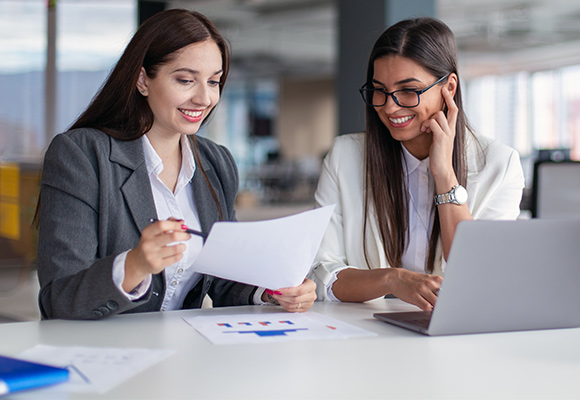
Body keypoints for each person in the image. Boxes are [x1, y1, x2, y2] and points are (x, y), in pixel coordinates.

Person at [36, 9, 316, 320]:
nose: (204, 98)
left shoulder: (216, 161)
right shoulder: (82, 155)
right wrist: (134, 266)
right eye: (185, 80)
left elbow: (222, 280)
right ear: (143, 80)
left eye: (214, 82)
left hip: (182, 353)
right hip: (104, 355)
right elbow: (57, 298)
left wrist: (271, 290)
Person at [308, 17, 525, 311]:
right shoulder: (345, 156)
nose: (390, 106)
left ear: (448, 87)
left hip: (458, 331)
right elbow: (322, 273)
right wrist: (392, 279)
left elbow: (480, 274)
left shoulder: (499, 165)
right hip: (364, 334)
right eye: (379, 90)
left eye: (409, 90)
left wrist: (444, 174)